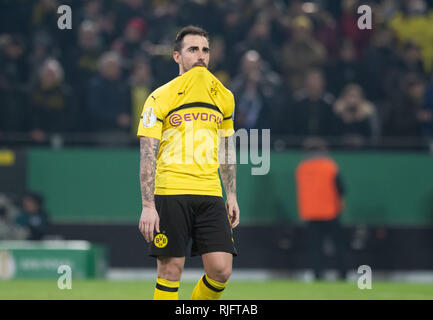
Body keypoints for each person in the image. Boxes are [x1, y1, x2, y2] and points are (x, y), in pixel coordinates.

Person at [136, 26, 239, 300]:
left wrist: (231, 194)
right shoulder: (160, 97)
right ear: (177, 56)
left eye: (205, 50)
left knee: (221, 270)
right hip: (172, 191)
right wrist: (148, 206)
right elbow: (147, 154)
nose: (201, 56)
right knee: (170, 270)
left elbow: (226, 150)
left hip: (210, 192)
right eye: (193, 49)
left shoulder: (224, 96)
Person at [295, 138, 347, 281]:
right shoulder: (330, 166)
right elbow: (340, 188)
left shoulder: (302, 168)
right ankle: (343, 274)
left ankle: (318, 275)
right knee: (338, 245)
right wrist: (341, 204)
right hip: (330, 212)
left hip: (311, 213)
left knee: (315, 248)